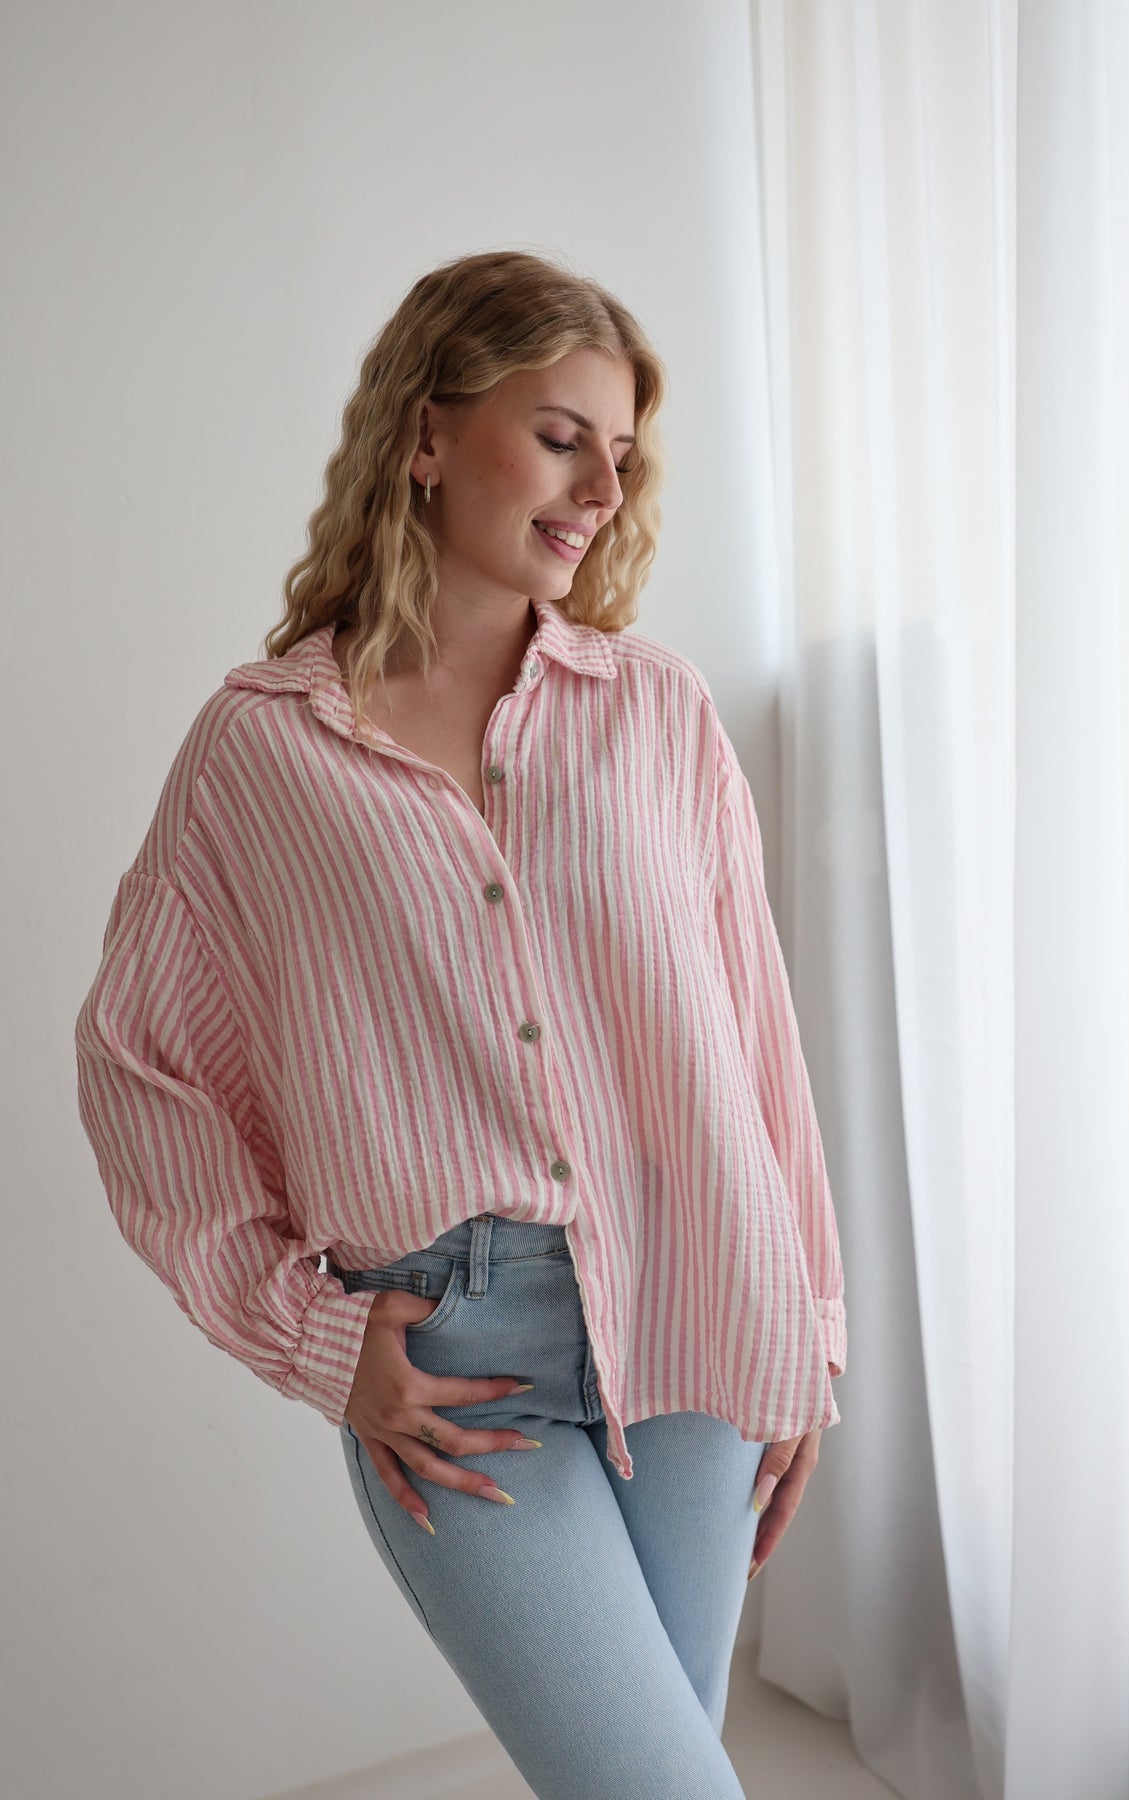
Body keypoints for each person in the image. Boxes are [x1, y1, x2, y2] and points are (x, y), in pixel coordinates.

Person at [74, 248, 846, 1799]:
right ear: (427, 434)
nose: (600, 490)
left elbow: (755, 1031)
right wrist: (308, 1334)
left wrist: (807, 1324)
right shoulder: (262, 751)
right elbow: (140, 1070)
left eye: (619, 455)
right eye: (560, 438)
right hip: (457, 1365)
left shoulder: (658, 712)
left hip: (695, 1308)